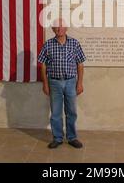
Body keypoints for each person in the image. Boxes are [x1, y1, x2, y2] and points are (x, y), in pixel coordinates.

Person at [37, 18, 86, 149]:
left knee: (71, 112)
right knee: (56, 113)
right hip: (54, 83)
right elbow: (42, 66)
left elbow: (80, 64)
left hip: (71, 82)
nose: (59, 29)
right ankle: (57, 138)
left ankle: (72, 137)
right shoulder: (48, 44)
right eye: (56, 27)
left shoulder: (74, 43)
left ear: (66, 28)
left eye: (62, 26)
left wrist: (79, 83)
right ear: (53, 29)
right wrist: (45, 84)